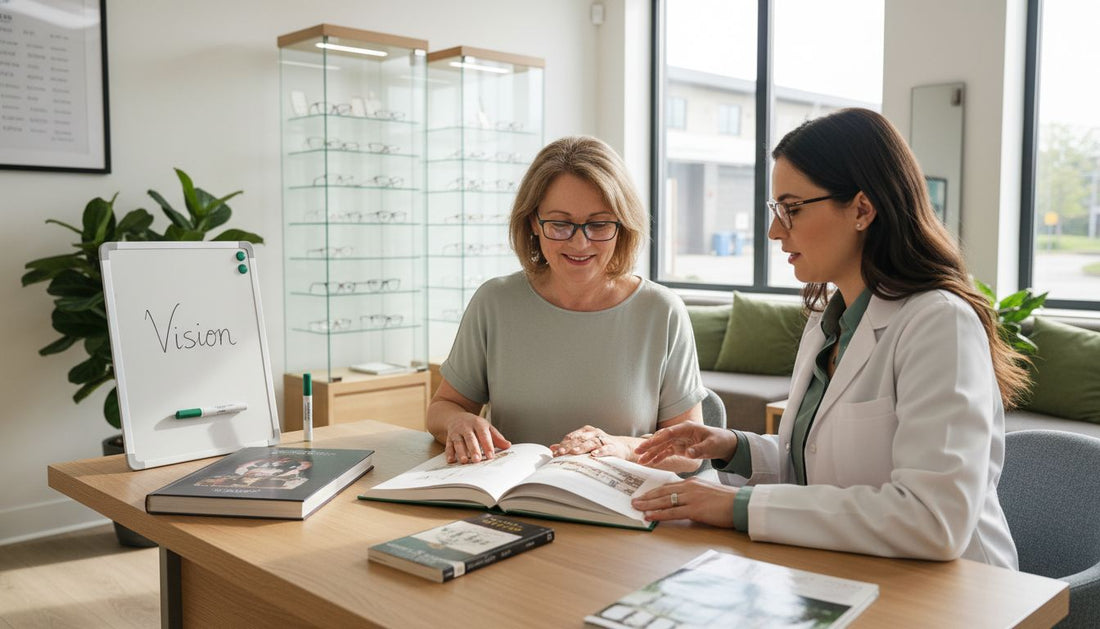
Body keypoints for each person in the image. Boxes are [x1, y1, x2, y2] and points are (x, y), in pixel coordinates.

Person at [632, 108, 1026, 569]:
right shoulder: (827, 325)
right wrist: (732, 447)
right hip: (849, 570)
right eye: (776, 209)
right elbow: (815, 468)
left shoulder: (940, 324)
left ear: (862, 209)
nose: (775, 230)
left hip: (953, 593)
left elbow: (932, 518)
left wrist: (736, 506)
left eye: (792, 208)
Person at [427, 136, 706, 472]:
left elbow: (690, 453)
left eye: (599, 224)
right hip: (509, 505)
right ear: (533, 222)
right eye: (560, 224)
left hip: (618, 510)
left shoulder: (661, 311)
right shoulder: (495, 302)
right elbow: (442, 407)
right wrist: (458, 421)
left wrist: (624, 448)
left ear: (622, 226)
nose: (579, 242)